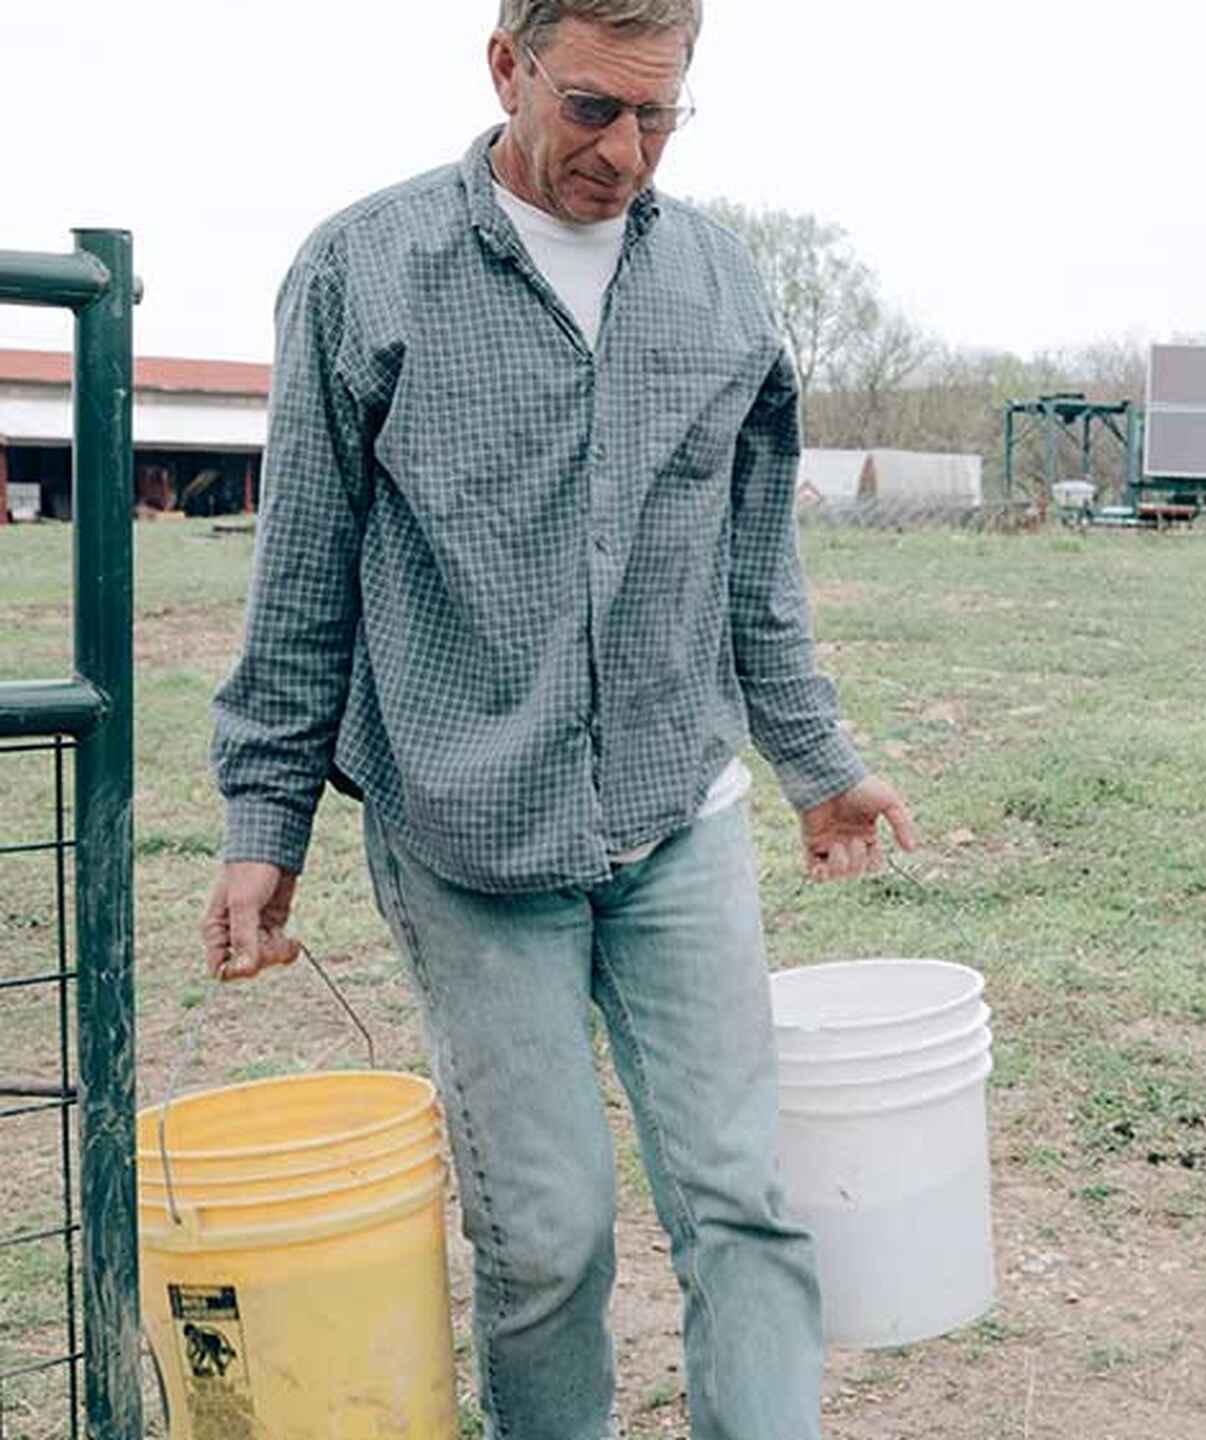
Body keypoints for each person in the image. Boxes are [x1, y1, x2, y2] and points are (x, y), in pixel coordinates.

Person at [201, 4, 917, 1436]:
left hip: (674, 811)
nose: (628, 154)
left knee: (743, 1208)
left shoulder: (721, 284)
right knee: (548, 1244)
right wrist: (262, 824)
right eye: (594, 108)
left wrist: (815, 764)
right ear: (506, 68)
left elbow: (753, 562)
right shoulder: (366, 271)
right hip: (470, 833)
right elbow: (302, 574)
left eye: (664, 116)